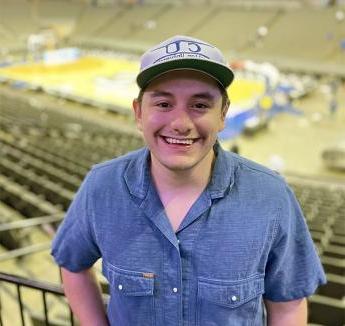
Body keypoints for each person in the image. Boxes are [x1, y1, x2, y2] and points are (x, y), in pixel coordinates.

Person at [51, 35, 326, 326]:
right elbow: (72, 264)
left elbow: (288, 305)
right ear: (138, 113)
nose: (181, 124)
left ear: (223, 115)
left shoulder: (272, 197)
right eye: (163, 104)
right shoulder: (101, 187)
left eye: (199, 105)